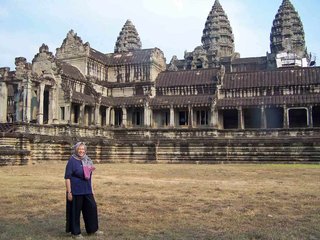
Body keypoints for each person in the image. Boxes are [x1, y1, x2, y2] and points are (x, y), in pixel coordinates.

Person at [64, 142, 103, 238]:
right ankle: (75, 233)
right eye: (79, 149)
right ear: (76, 149)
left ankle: (92, 229)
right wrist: (69, 192)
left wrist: (92, 189)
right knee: (75, 212)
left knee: (92, 208)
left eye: (83, 149)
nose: (81, 151)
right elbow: (67, 177)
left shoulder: (88, 160)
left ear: (85, 150)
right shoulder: (72, 161)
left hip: (87, 190)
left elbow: (90, 177)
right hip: (75, 191)